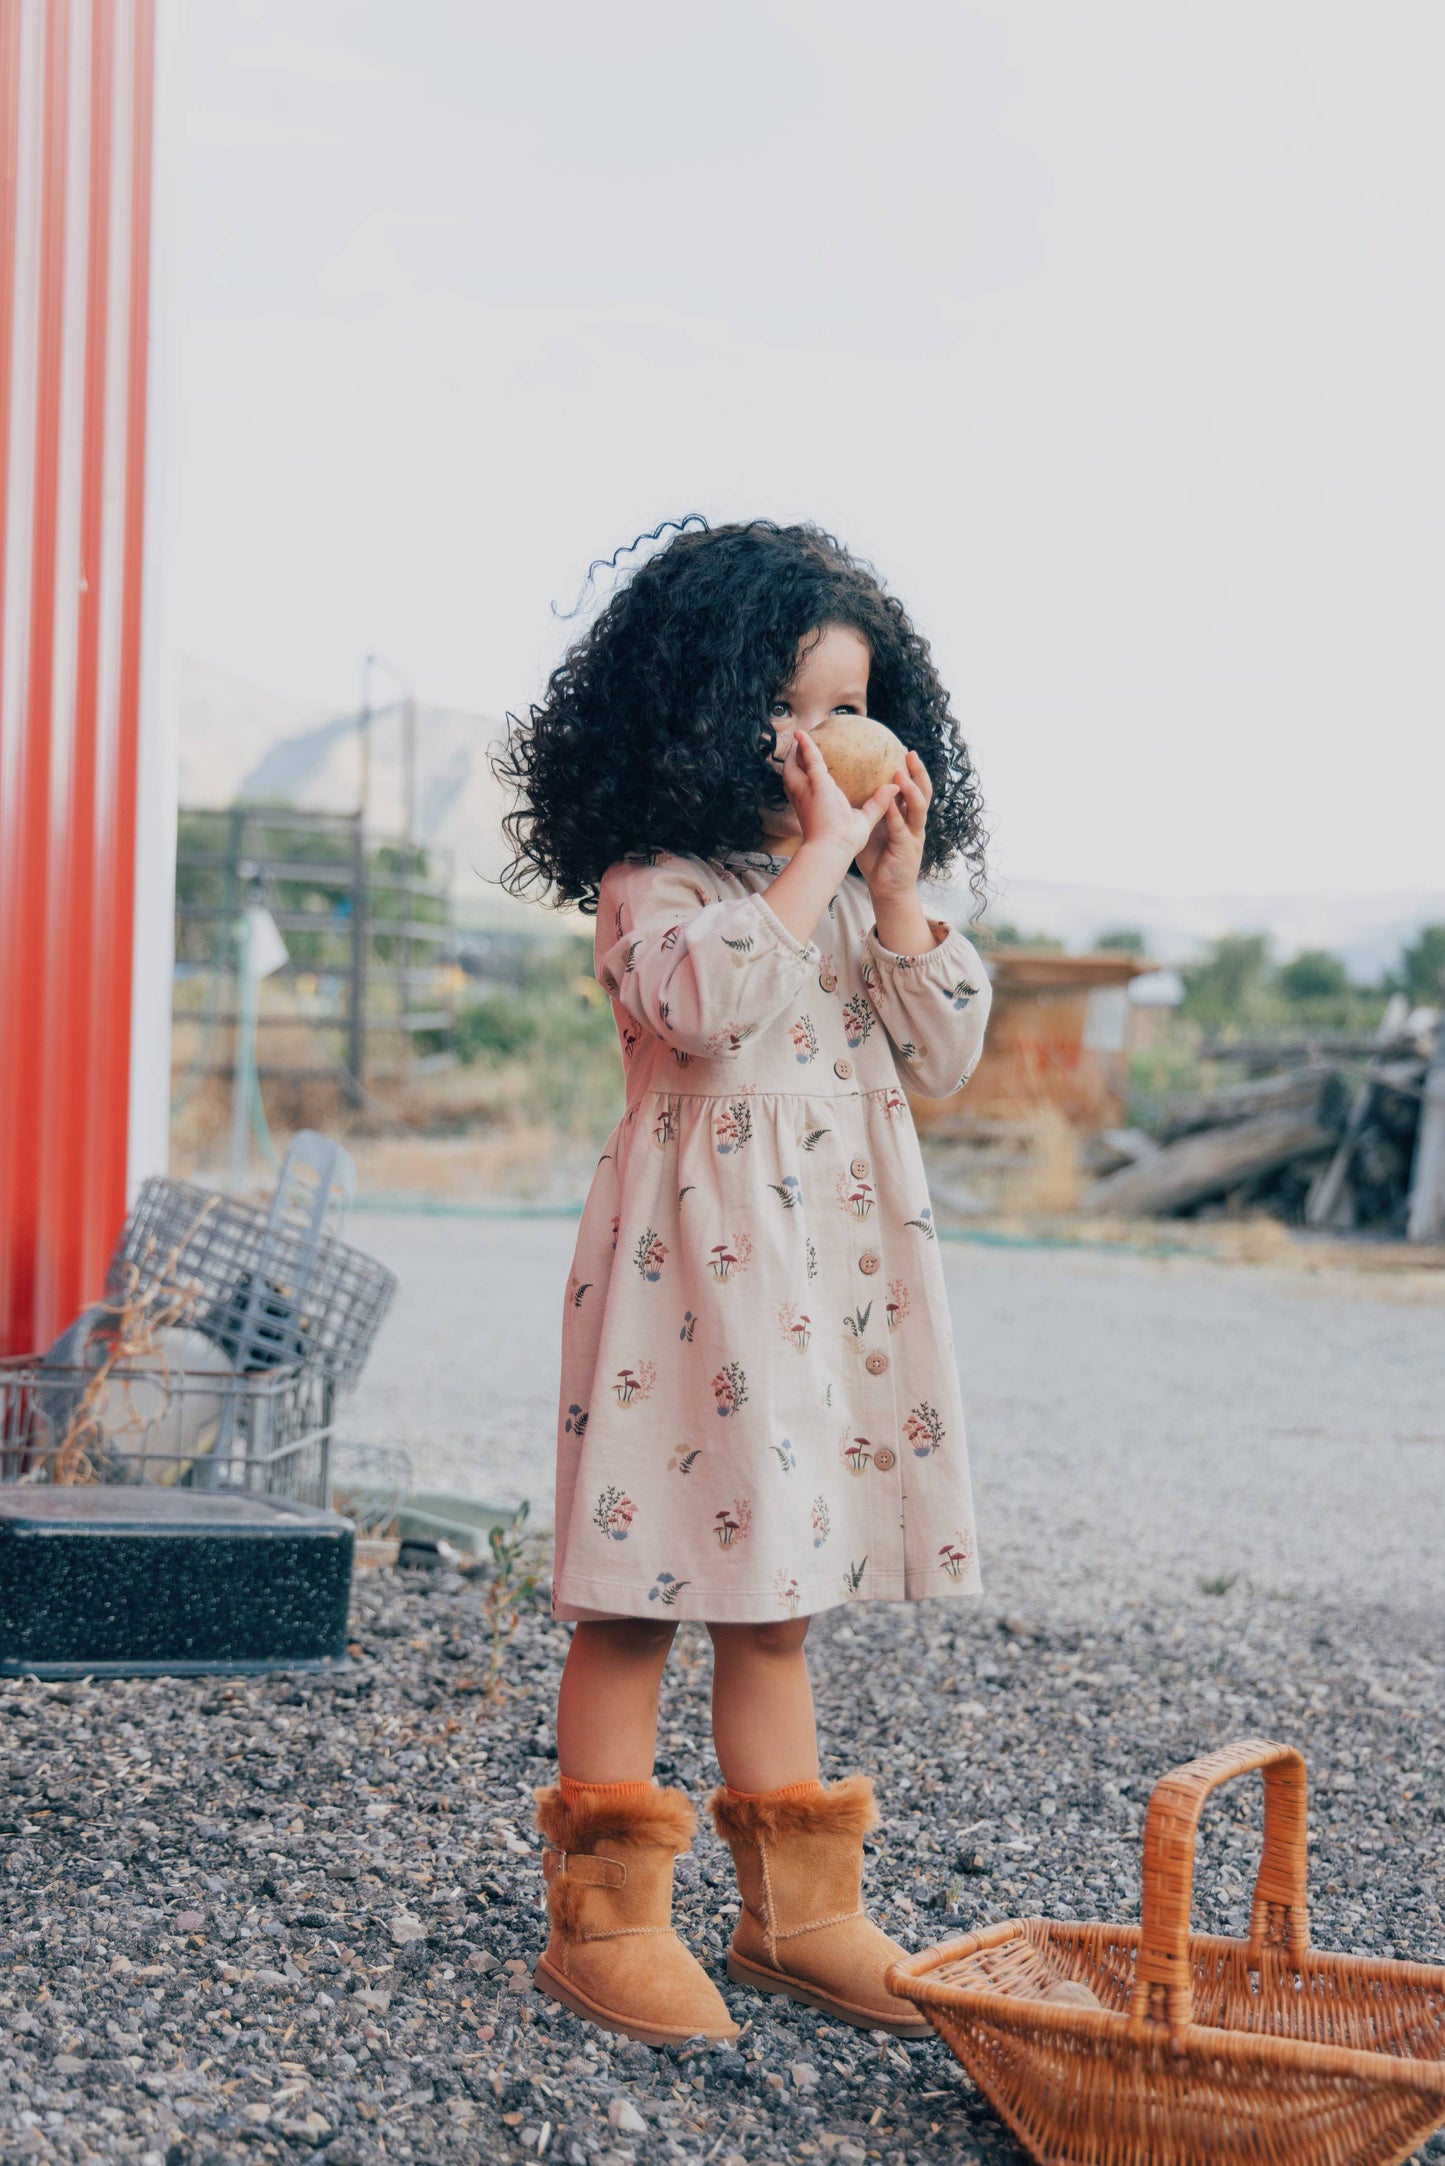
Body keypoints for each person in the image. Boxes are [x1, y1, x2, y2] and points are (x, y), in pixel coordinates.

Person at [495, 518, 992, 2048]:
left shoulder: (855, 896)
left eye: (855, 708)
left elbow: (946, 1052)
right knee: (640, 1590)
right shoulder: (658, 882)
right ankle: (608, 1918)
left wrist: (892, 885)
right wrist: (818, 856)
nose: (834, 741)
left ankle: (801, 1911)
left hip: (820, 1285)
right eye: (804, 709)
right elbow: (704, 1002)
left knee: (775, 1600)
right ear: (706, 710)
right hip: (683, 1282)